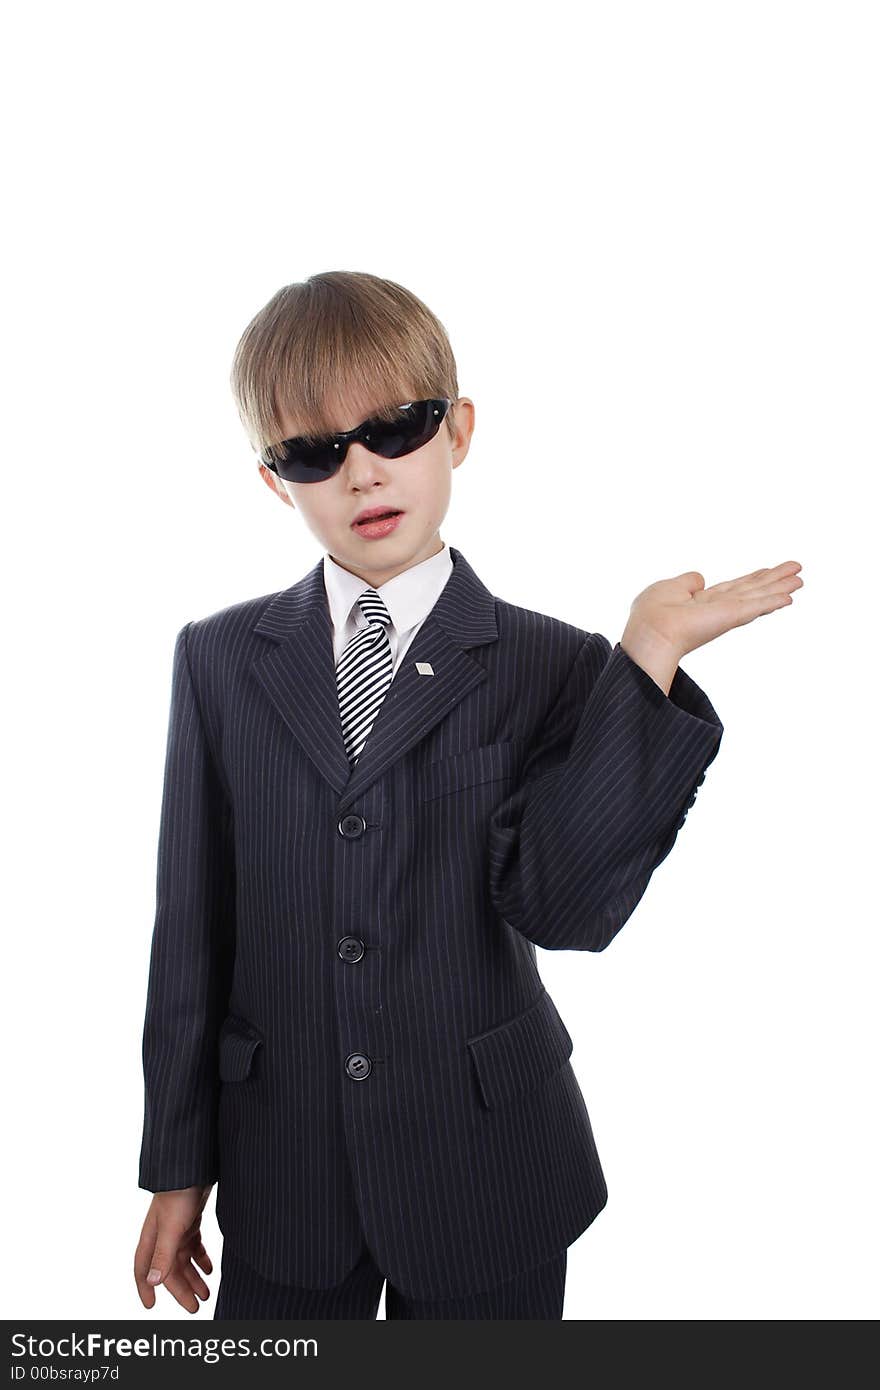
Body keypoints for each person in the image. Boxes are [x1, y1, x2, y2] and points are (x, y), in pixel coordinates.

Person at [133, 270, 802, 1319]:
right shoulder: (219, 659)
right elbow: (191, 933)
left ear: (458, 431)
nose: (361, 474)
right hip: (282, 1172)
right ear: (275, 481)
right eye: (315, 451)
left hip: (490, 1165)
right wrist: (179, 1163)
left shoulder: (552, 664)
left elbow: (565, 909)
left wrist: (648, 659)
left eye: (396, 427)